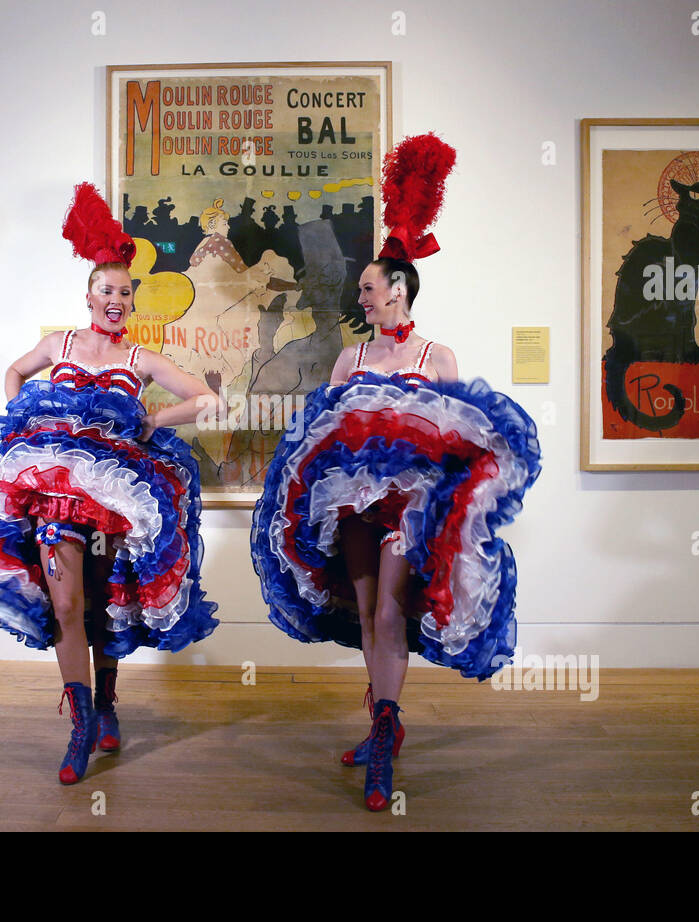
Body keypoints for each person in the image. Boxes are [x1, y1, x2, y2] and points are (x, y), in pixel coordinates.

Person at [250, 134, 542, 811]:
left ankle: (383, 740)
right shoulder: (351, 358)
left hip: (410, 508)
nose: (363, 299)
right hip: (351, 505)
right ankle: (384, 717)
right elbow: (322, 432)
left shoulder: (437, 356)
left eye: (370, 289)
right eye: (360, 291)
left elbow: (462, 434)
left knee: (389, 610)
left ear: (400, 289)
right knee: (364, 614)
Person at [0, 183, 221, 784]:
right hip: (53, 494)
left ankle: (109, 703)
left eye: (125, 292)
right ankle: (82, 723)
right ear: (89, 295)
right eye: (107, 290)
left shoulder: (140, 358)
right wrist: (21, 426)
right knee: (64, 601)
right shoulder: (59, 344)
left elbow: (209, 400)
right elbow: (13, 371)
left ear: (131, 301)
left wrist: (155, 419)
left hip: (113, 500)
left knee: (103, 597)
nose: (116, 300)